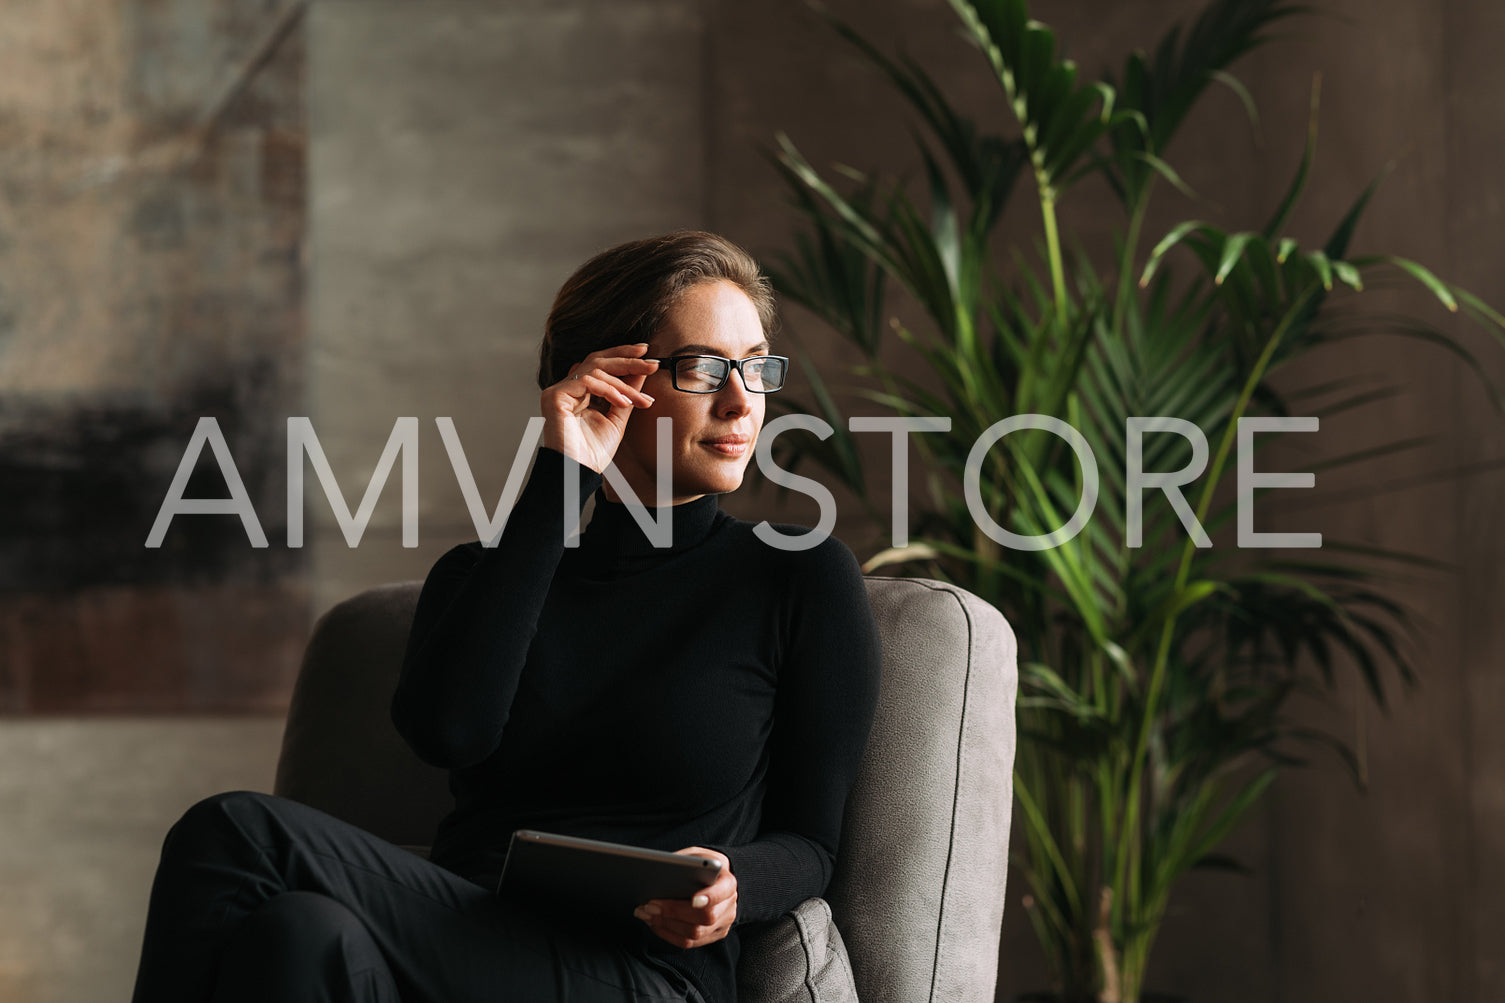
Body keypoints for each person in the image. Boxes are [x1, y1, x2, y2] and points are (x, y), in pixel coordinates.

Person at [129, 230, 882, 1003]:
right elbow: (448, 730)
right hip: (467, 940)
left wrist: (733, 883)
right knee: (297, 934)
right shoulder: (487, 576)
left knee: (232, 833)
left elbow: (812, 842)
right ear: (606, 381)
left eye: (755, 365)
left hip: (642, 977)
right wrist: (562, 475)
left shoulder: (793, 574)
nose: (741, 399)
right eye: (701, 368)